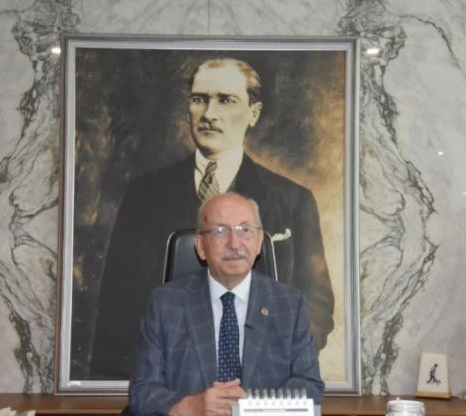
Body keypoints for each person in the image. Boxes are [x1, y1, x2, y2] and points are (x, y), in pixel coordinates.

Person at [90, 57, 334, 380]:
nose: (209, 114)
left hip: (260, 385)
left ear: (254, 113)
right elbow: (117, 307)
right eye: (199, 99)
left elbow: (317, 304)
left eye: (226, 100)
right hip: (171, 385)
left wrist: (270, 366)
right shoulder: (144, 194)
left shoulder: (293, 200)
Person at [128, 192, 324, 416]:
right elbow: (142, 392)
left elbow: (310, 387)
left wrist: (253, 406)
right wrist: (190, 407)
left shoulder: (289, 305)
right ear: (201, 246)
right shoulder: (165, 304)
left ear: (259, 242)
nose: (234, 243)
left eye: (245, 230)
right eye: (220, 231)